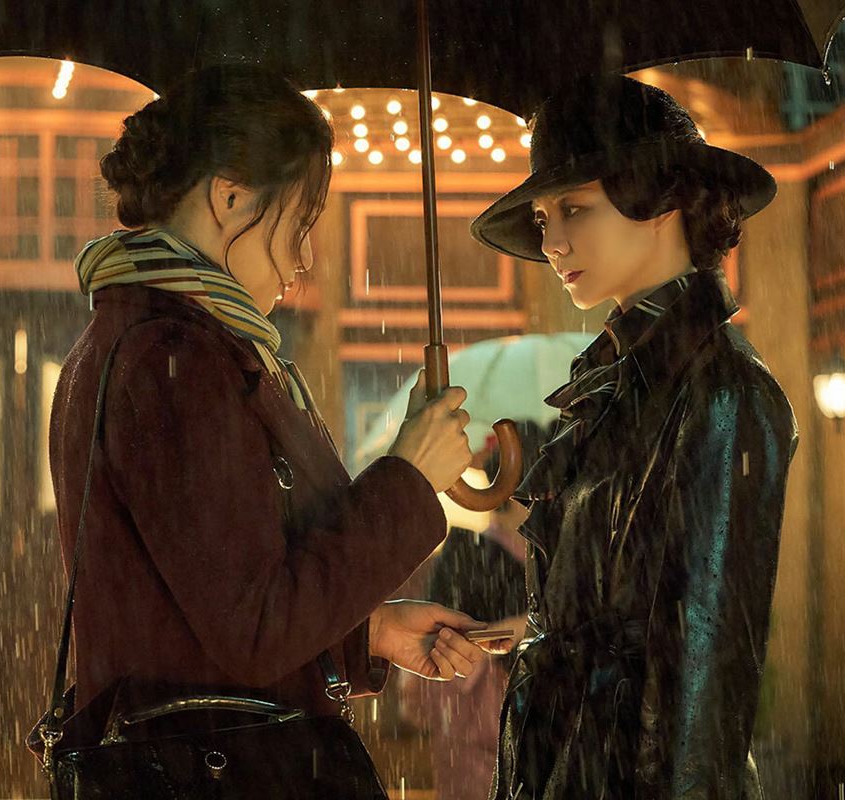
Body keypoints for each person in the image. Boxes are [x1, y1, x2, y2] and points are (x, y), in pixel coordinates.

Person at [47, 64, 509, 786]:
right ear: (230, 197)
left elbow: (204, 613)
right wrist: (409, 478)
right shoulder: (174, 360)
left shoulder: (147, 341)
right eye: (299, 224)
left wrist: (368, 633)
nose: (304, 258)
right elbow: (255, 631)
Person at [469, 73, 799, 800]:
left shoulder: (721, 389)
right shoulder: (614, 384)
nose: (552, 242)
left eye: (574, 209)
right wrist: (538, 634)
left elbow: (705, 674)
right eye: (543, 218)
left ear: (659, 198)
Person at [397, 422, 551, 800]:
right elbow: (425, 693)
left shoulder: (551, 563)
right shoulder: (468, 559)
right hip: (479, 755)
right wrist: (518, 633)